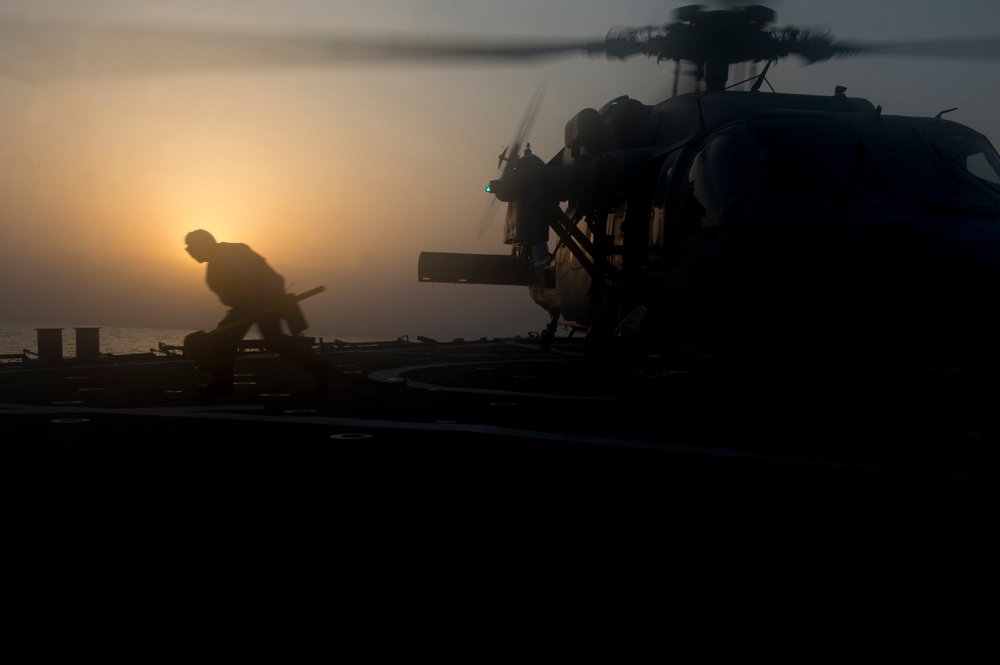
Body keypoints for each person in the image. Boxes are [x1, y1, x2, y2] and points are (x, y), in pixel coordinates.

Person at [184, 229, 331, 395]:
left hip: (261, 300)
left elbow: (248, 278)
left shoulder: (223, 259)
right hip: (250, 303)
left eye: (191, 249)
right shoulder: (220, 257)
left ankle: (320, 369)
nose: (191, 254)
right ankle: (223, 383)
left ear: (202, 246)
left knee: (232, 339)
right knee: (236, 339)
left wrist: (254, 307)